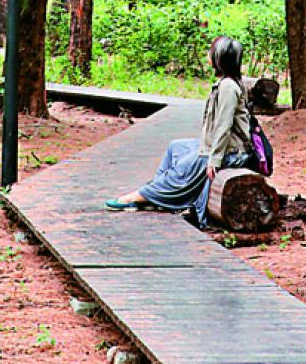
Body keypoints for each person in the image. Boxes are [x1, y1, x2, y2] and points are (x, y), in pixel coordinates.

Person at [104, 35, 255, 228]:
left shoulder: (228, 87)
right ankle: (154, 195)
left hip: (231, 151)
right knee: (177, 147)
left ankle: (137, 197)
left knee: (185, 168)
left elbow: (223, 127)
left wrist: (214, 160)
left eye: (211, 51)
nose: (207, 54)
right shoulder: (226, 83)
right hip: (218, 146)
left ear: (219, 58)